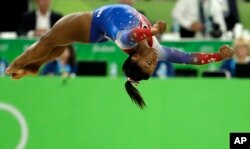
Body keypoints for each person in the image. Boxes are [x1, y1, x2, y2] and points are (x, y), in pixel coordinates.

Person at [6, 4, 234, 108]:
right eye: (154, 65)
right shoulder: (157, 49)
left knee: (49, 39)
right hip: (98, 29)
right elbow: (188, 58)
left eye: (148, 63)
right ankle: (35, 65)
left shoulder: (127, 42)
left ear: (134, 58)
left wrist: (151, 31)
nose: (154, 60)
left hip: (92, 23)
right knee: (58, 44)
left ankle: (16, 65)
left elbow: (132, 33)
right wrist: (216, 56)